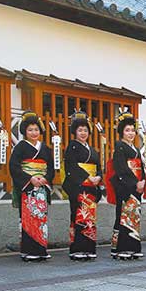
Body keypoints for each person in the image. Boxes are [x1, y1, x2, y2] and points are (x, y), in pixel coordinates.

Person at [9, 111, 54, 261]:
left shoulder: (46, 148)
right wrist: (30, 178)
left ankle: (41, 249)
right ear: (24, 131)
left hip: (41, 186)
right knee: (28, 218)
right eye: (30, 130)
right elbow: (14, 167)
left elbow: (51, 168)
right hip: (27, 187)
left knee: (41, 218)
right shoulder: (21, 147)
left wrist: (45, 179)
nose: (33, 133)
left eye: (36, 129)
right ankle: (28, 251)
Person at [63, 110, 102, 260]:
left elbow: (98, 166)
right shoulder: (72, 147)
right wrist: (87, 177)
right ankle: (77, 249)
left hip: (91, 188)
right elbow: (71, 167)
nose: (83, 133)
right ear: (75, 132)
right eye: (80, 130)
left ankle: (89, 248)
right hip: (79, 187)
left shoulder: (93, 150)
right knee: (78, 216)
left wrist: (98, 176)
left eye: (85, 130)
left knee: (90, 218)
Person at [108, 111, 146, 260]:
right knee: (124, 216)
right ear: (121, 132)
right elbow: (121, 168)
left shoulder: (136, 149)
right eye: (127, 130)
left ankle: (133, 247)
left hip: (137, 186)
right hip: (125, 187)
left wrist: (142, 180)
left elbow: (141, 168)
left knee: (134, 217)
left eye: (132, 130)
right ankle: (120, 248)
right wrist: (135, 182)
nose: (131, 133)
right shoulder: (120, 147)